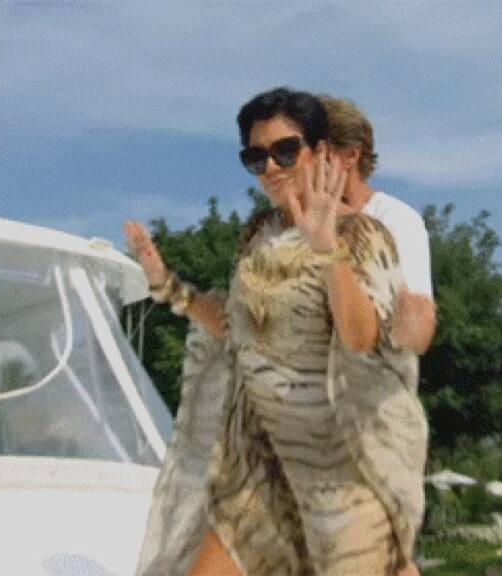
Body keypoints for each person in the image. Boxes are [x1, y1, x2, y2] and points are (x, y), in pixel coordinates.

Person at [125, 88, 427, 576]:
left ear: (320, 152)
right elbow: (235, 330)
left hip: (340, 470)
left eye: (286, 150)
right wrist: (166, 286)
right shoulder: (258, 235)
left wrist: (327, 251)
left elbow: (362, 340)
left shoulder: (362, 232)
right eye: (256, 157)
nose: (271, 167)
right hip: (260, 465)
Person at [320, 96, 436, 355]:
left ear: (350, 156)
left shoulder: (396, 219)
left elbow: (416, 333)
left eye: (315, 152)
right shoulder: (288, 225)